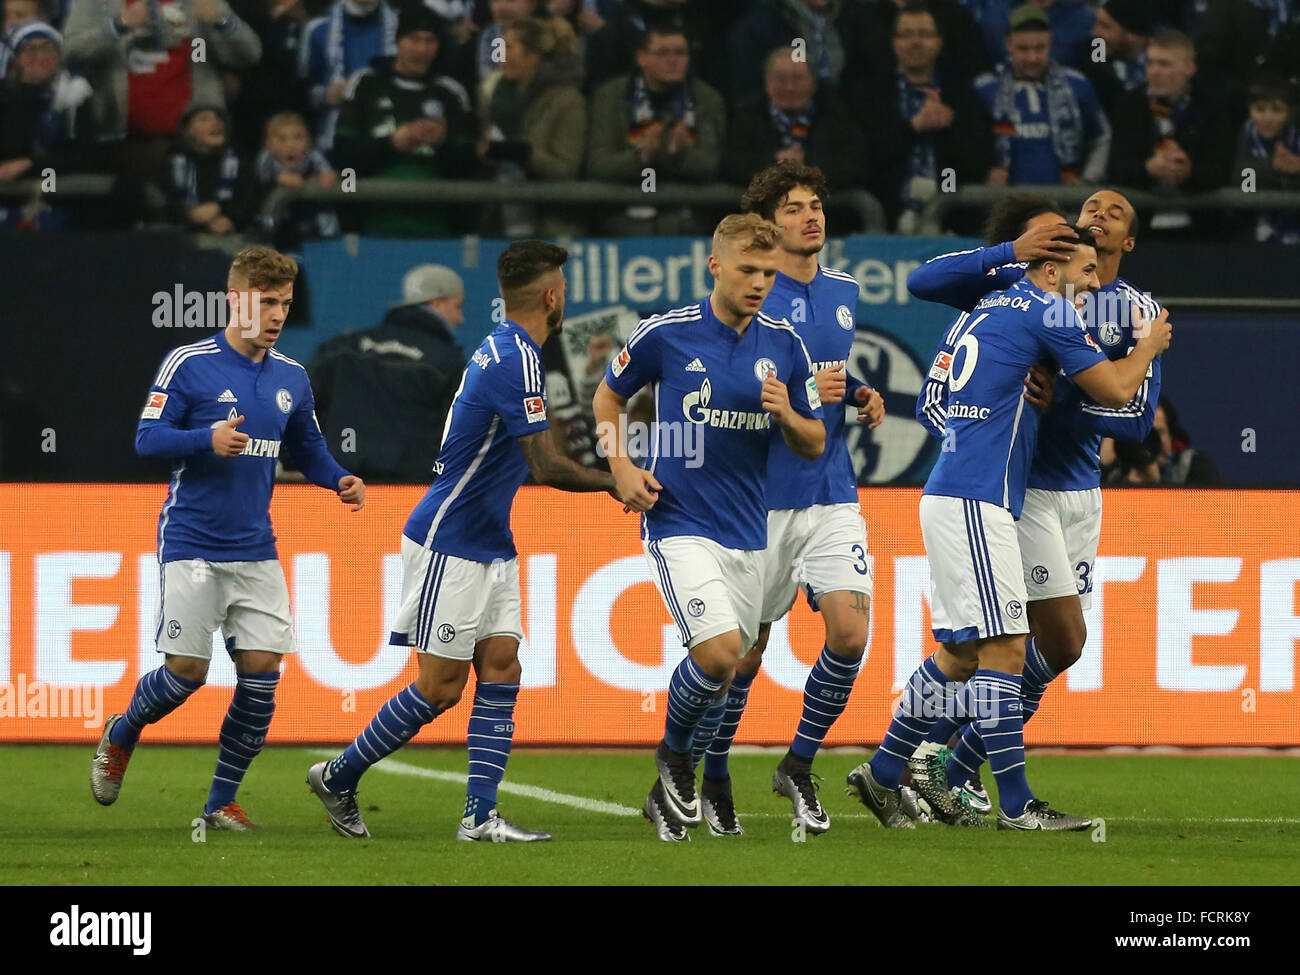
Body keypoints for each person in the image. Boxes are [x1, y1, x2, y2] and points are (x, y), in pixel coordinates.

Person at [847, 225, 1170, 831]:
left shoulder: (993, 301)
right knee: (1005, 647)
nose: (1096, 284)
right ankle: (1018, 807)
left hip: (958, 490)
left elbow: (933, 395)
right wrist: (1149, 346)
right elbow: (1118, 389)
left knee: (962, 650)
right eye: (1087, 272)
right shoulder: (1050, 311)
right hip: (977, 497)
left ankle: (885, 771)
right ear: (1052, 268)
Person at [307, 241, 631, 842]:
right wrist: (619, 482)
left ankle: (479, 816)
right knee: (441, 687)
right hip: (450, 540)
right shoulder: (516, 359)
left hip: (489, 540)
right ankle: (339, 774)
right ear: (553, 297)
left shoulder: (508, 348)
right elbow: (545, 465)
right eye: (564, 289)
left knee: (502, 665)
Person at [90, 246, 366, 830]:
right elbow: (146, 440)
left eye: (285, 304)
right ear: (235, 298)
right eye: (266, 302)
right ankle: (123, 731)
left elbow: (307, 450)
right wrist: (204, 440)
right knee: (185, 674)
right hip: (192, 542)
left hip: (256, 549)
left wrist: (337, 476)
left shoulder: (292, 376)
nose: (276, 314)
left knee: (263, 677)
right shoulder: (189, 364)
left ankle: (220, 802)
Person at [592, 213, 826, 841]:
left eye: (769, 274)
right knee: (720, 653)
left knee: (728, 671)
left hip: (750, 532)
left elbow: (814, 441)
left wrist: (788, 415)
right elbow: (607, 398)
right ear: (715, 266)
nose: (759, 283)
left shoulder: (783, 344)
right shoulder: (666, 334)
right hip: (679, 519)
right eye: (748, 270)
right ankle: (674, 757)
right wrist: (620, 466)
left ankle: (663, 793)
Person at [679, 163, 885, 838]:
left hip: (829, 490)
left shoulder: (845, 291)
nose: (811, 216)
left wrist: (855, 393)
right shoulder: (751, 299)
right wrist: (800, 401)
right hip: (758, 498)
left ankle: (797, 763)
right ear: (769, 226)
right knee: (744, 654)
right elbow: (738, 385)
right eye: (794, 208)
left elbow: (824, 370)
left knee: (850, 633)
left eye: (816, 205)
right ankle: (712, 774)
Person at [307, 263, 467, 482]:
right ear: (436, 302)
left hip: (339, 485)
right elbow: (459, 432)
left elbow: (300, 407)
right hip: (411, 491)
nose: (461, 319)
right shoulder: (447, 361)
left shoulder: (342, 348)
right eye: (458, 306)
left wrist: (298, 461)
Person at [332, 5, 477, 236]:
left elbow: (469, 167)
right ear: (398, 41)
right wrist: (391, 144)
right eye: (414, 39)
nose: (422, 49)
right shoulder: (365, 84)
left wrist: (442, 146)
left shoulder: (451, 92)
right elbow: (343, 156)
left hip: (438, 228)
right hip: (372, 225)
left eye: (430, 41)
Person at [858, 1, 993, 232]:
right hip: (883, 223)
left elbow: (977, 162)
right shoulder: (870, 94)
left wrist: (947, 128)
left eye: (925, 34)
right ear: (894, 42)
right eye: (907, 34)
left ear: (939, 42)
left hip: (952, 219)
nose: (916, 42)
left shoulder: (961, 95)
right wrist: (914, 126)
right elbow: (865, 157)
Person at [585, 22, 725, 235]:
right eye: (663, 53)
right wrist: (640, 156)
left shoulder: (706, 98)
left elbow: (713, 165)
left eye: (680, 53)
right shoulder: (610, 97)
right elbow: (598, 164)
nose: (673, 60)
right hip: (624, 213)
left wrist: (682, 155)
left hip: (690, 215)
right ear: (642, 58)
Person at [1106, 28, 1235, 234]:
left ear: (1189, 69)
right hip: (1140, 231)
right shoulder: (1129, 105)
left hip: (1203, 232)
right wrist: (1148, 169)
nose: (1154, 71)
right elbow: (1115, 169)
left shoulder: (1213, 107)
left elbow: (1223, 169)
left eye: (1164, 64)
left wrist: (1189, 172)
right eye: (1151, 63)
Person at [975, 4, 1110, 186]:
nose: (1032, 58)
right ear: (1008, 45)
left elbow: (1102, 138)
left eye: (1040, 48)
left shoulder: (1077, 85)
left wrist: (1087, 181)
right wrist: (983, 176)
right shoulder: (985, 89)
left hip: (1064, 207)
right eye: (1023, 49)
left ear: (1051, 43)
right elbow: (965, 147)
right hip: (1004, 207)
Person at [476, 15, 586, 236]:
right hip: (498, 219)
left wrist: (522, 154)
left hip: (551, 223)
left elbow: (566, 169)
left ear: (533, 56)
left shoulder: (566, 100)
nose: (501, 56)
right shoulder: (491, 95)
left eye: (509, 47)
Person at [723, 48, 868, 207]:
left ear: (813, 82)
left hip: (831, 213)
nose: (790, 87)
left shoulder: (838, 115)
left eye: (798, 78)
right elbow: (733, 164)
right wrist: (775, 163)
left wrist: (804, 166)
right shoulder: (746, 116)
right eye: (781, 79)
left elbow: (853, 165)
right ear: (766, 82)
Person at [299, 0, 398, 148]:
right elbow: (303, 92)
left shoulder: (403, 25)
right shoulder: (317, 29)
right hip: (335, 134)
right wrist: (325, 95)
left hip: (392, 133)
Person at [164, 104, 258, 235]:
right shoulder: (173, 162)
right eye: (204, 119)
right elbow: (164, 203)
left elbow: (250, 199)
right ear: (188, 130)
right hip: (182, 236)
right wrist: (190, 216)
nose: (215, 123)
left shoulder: (240, 159)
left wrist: (224, 212)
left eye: (218, 118)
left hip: (233, 234)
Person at [1234, 75, 1300, 245]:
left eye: (1276, 110)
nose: (1267, 117)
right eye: (1260, 109)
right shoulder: (1246, 133)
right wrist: (1272, 167)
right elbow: (1243, 182)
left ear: (1290, 112)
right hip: (1254, 234)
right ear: (1250, 110)